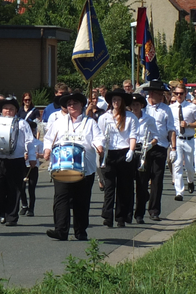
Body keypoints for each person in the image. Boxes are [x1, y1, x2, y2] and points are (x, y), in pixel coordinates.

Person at [43, 91, 103, 240]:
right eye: (69, 104)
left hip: (84, 166)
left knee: (81, 200)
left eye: (74, 103)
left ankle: (80, 231)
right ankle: (61, 231)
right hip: (62, 165)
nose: (71, 106)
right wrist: (47, 149)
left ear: (81, 105)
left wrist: (99, 146)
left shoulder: (90, 123)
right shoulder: (59, 122)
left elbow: (98, 138)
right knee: (61, 198)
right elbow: (49, 138)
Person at [0, 97, 34, 227]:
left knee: (14, 189)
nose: (8, 111)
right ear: (1, 110)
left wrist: (32, 157)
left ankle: (12, 217)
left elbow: (29, 141)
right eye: (5, 108)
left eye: (11, 109)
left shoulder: (22, 124)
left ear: (16, 111)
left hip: (16, 160)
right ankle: (1, 210)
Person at [98, 89, 136, 227]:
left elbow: (133, 135)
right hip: (109, 153)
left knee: (123, 186)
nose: (116, 102)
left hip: (124, 152)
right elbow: (100, 135)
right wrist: (101, 149)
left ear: (122, 102)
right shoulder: (104, 117)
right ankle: (107, 215)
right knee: (109, 186)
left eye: (119, 100)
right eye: (114, 99)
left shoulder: (130, 117)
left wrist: (131, 150)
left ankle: (121, 217)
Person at [140, 80, 174, 221]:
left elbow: (171, 129)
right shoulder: (143, 108)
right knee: (142, 179)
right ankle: (140, 209)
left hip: (160, 146)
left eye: (162, 94)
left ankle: (154, 210)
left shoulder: (166, 109)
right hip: (145, 146)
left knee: (157, 179)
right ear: (151, 93)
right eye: (159, 94)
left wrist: (173, 147)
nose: (162, 96)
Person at [170, 84, 196, 201]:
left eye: (181, 93)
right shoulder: (171, 108)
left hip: (189, 139)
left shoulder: (192, 107)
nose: (179, 96)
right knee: (177, 165)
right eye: (177, 93)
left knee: (189, 166)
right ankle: (179, 192)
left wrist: (188, 124)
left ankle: (190, 180)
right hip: (177, 139)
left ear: (185, 94)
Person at [129, 93, 156, 224]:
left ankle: (139, 214)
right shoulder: (127, 118)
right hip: (130, 150)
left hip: (144, 150)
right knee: (128, 184)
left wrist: (150, 144)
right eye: (133, 105)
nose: (135, 107)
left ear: (141, 106)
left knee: (142, 184)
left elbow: (156, 136)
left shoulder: (149, 119)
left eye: (137, 105)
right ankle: (127, 213)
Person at [20, 120, 41, 216]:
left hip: (33, 167)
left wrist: (38, 155)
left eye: (33, 130)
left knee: (31, 189)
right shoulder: (21, 142)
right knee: (21, 187)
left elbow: (44, 155)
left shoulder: (38, 143)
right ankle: (24, 205)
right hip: (23, 166)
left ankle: (31, 209)